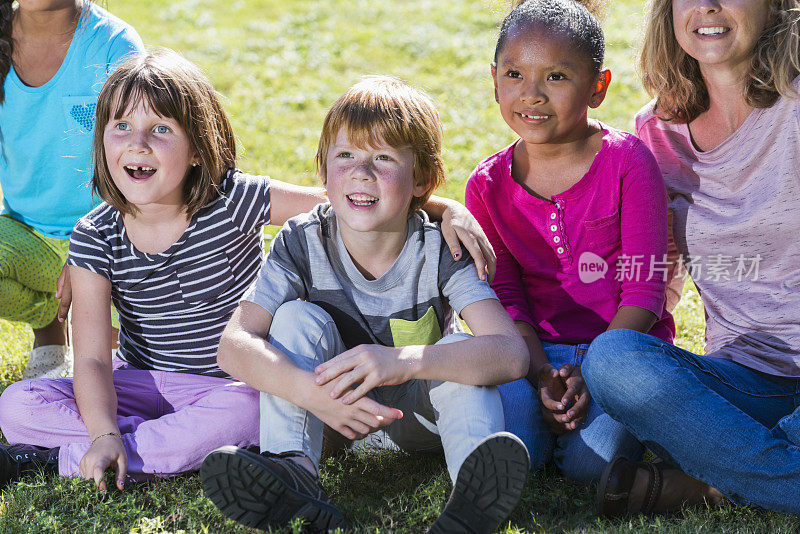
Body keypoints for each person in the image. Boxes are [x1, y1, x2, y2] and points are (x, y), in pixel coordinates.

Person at [0, 50, 494, 491]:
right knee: (16, 405)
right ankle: (128, 448)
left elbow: (348, 199)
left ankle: (70, 458)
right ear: (102, 140)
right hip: (141, 384)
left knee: (255, 412)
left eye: (161, 129)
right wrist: (106, 428)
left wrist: (443, 207)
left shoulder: (233, 198)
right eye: (122, 127)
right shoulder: (96, 234)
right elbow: (89, 361)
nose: (139, 143)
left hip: (233, 387)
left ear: (197, 148)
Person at [199, 76, 530, 533]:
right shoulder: (302, 239)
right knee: (295, 318)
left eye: (384, 158)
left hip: (418, 418)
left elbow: (509, 352)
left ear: (424, 180)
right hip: (332, 417)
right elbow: (234, 345)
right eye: (346, 155)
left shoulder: (441, 247)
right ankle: (293, 471)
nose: (361, 172)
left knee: (462, 366)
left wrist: (403, 361)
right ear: (322, 168)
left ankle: (472, 498)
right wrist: (309, 393)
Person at [583, 0, 800, 517]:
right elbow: (663, 270)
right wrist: (437, 205)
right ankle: (760, 473)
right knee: (613, 360)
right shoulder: (656, 133)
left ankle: (718, 482)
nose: (708, 6)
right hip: (744, 381)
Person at [464, 0, 674, 484]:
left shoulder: (628, 163)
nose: (531, 95)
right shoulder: (487, 185)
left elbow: (645, 292)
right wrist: (540, 373)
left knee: (587, 467)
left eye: (556, 77)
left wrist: (594, 370)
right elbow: (508, 298)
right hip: (533, 354)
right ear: (494, 77)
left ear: (597, 88)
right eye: (515, 74)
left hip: (625, 350)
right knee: (519, 452)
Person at [0, 0, 142, 378]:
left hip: (112, 237)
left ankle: (106, 331)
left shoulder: (114, 44)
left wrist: (89, 247)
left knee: (122, 370)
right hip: (30, 236)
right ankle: (49, 321)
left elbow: (139, 160)